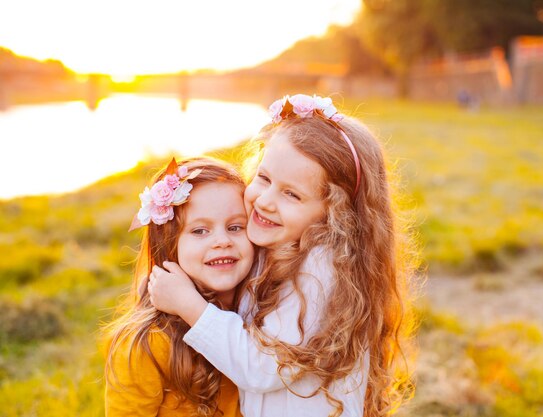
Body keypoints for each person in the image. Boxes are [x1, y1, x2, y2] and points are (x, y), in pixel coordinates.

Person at [148, 94, 415, 417]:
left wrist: (189, 305)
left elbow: (260, 366)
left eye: (291, 194)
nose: (265, 201)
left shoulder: (322, 271)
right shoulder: (280, 242)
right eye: (264, 178)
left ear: (335, 214)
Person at [104, 157, 254, 417]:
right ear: (169, 243)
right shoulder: (149, 342)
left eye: (235, 227)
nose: (222, 241)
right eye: (199, 231)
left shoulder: (263, 310)